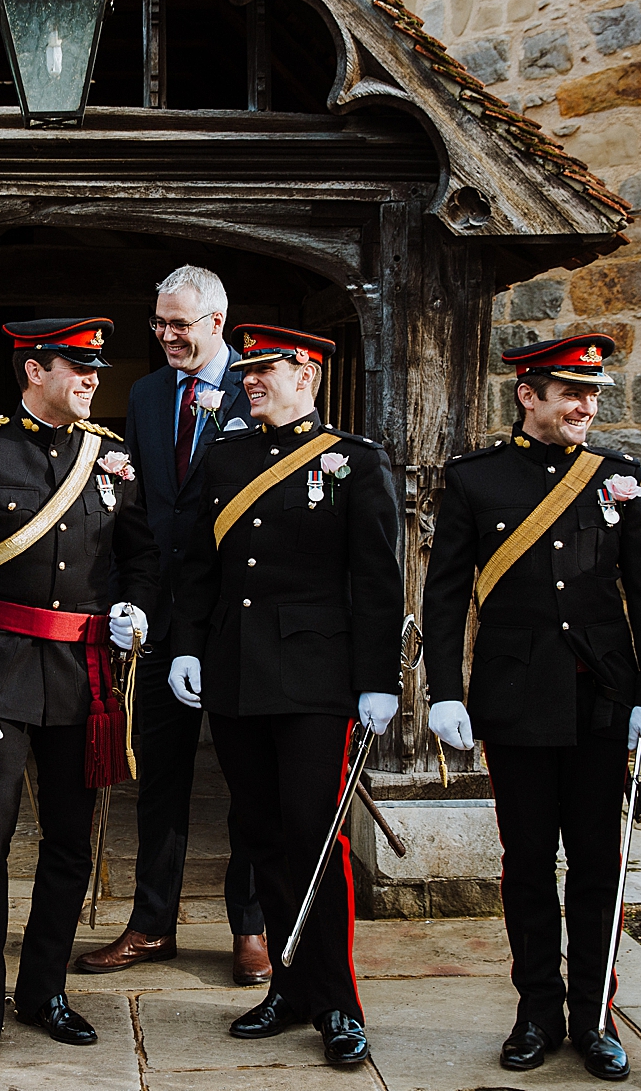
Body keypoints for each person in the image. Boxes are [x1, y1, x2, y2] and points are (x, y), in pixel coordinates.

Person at [420, 333, 641, 1080]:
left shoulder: (616, 476)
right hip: (515, 698)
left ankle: (595, 1017)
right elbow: (444, 596)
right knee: (527, 863)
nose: (584, 406)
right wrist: (444, 691)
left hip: (602, 697)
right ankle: (536, 1012)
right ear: (528, 395)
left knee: (599, 865)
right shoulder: (476, 479)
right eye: (570, 392)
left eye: (592, 394)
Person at [0, 318, 159, 1069]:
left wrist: (136, 610)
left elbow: (140, 555)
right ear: (35, 370)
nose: (92, 379)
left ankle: (44, 989)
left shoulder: (113, 456)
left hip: (82, 678)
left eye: (96, 369)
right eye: (77, 367)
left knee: (70, 841)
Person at [168, 324, 402, 1068]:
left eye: (266, 369)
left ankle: (338, 1001)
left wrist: (379, 680)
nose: (251, 381)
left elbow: (377, 581)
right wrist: (187, 645)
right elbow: (197, 565)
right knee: (260, 834)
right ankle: (291, 988)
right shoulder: (226, 457)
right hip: (237, 675)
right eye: (249, 370)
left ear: (308, 373)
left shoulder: (354, 462)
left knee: (312, 836)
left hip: (315, 683)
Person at [76, 267, 267, 986]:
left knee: (248, 775)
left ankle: (249, 925)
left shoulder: (258, 387)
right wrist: (133, 598)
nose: (164, 336)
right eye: (159, 322)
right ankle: (152, 923)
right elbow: (147, 511)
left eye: (178, 324)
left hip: (240, 619)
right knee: (159, 777)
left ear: (216, 321)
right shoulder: (151, 393)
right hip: (162, 618)